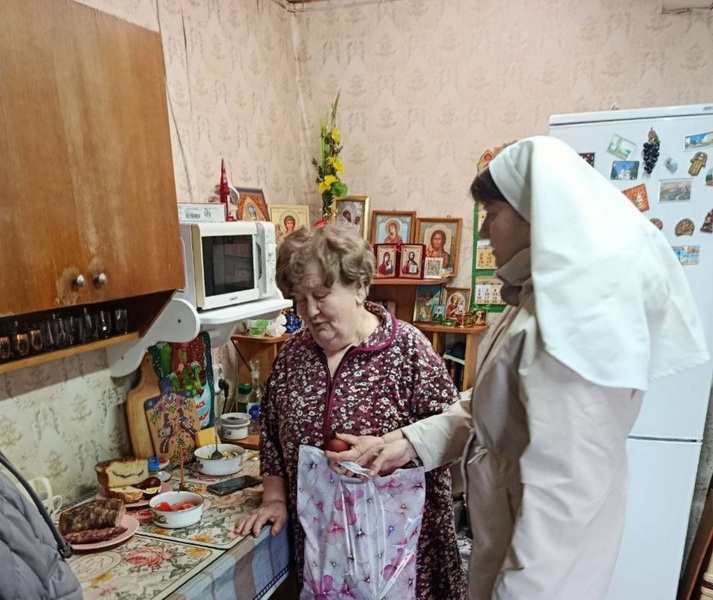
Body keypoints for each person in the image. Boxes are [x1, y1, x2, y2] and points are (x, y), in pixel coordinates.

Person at [326, 137, 709, 600]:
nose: (485, 232)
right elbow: (494, 409)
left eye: (492, 213)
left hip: (541, 574)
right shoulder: (537, 296)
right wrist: (405, 443)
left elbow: (561, 501)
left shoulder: (574, 321)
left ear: (533, 214)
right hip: (510, 543)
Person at [234, 224, 467, 599]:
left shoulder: (408, 350)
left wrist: (399, 450)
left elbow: (454, 431)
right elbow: (273, 439)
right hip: (323, 554)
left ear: (359, 286)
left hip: (404, 555)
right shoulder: (292, 357)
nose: (309, 312)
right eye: (299, 299)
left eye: (321, 295)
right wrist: (273, 499)